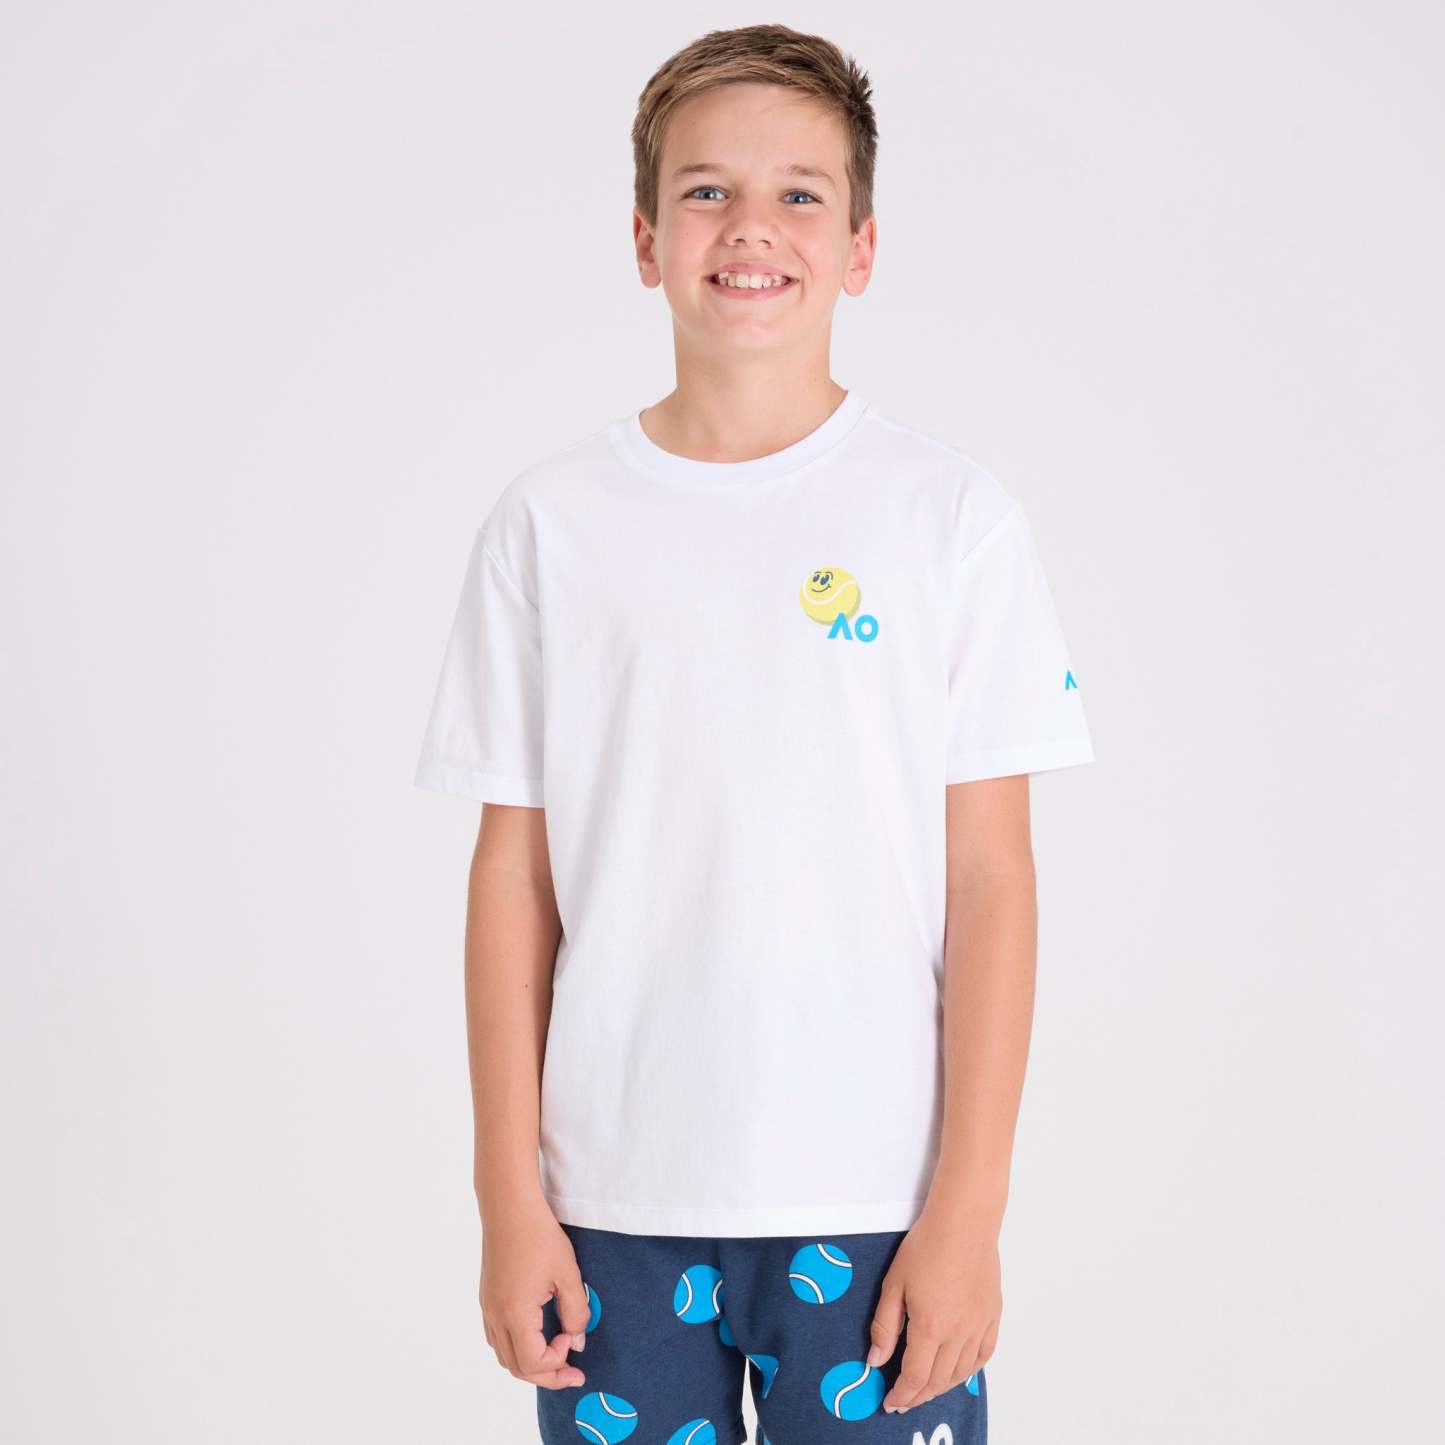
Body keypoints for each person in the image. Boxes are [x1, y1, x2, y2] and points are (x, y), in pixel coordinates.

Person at [412, 23, 1094, 1445]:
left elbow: (991, 880)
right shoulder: (550, 526)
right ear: (644, 237)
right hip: (610, 1202)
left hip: (879, 1203)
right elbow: (512, 877)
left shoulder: (950, 522)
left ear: (860, 247)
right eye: (706, 190)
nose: (749, 228)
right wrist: (506, 1196)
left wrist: (969, 1210)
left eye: (799, 193)